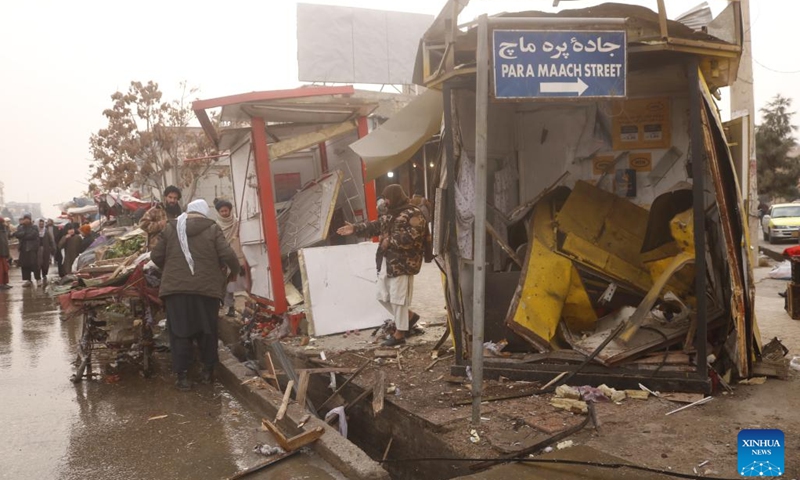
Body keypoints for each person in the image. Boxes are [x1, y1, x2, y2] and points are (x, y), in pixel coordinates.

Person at [151, 199, 239, 391]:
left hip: (176, 290)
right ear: (204, 212)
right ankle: (207, 373)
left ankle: (182, 377)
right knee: (207, 330)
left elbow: (156, 257)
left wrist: (172, 269)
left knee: (180, 332)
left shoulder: (171, 228)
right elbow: (227, 254)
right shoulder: (212, 228)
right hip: (206, 290)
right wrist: (236, 270)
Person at [337, 185, 428, 346]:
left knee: (398, 298)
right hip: (387, 261)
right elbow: (375, 226)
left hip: (404, 263)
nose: (385, 201)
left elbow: (414, 237)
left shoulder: (413, 213)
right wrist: (354, 229)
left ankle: (400, 334)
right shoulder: (390, 213)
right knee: (382, 296)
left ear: (395, 196)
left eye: (387, 197)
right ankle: (408, 317)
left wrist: (389, 241)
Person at [214, 199, 246, 317]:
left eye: (226, 210)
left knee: (246, 282)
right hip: (225, 258)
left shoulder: (237, 223)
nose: (224, 213)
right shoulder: (216, 226)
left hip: (239, 256)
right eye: (221, 211)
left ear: (230, 210)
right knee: (229, 285)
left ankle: (254, 305)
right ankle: (230, 307)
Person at [139, 185, 183, 250]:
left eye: (175, 198)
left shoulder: (179, 213)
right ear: (165, 197)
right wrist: (160, 225)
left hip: (173, 247)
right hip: (157, 248)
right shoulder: (155, 210)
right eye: (170, 197)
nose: (172, 200)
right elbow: (143, 224)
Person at [13, 213, 41, 287]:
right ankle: (28, 280)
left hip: (32, 249)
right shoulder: (21, 227)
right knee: (24, 265)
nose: (25, 220)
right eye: (24, 219)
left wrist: (23, 235)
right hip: (23, 249)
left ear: (30, 219)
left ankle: (38, 279)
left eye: (27, 219)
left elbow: (32, 235)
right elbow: (16, 234)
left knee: (35, 265)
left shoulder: (34, 227)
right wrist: (24, 234)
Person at [37, 218, 56, 285]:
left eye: (42, 224)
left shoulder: (46, 231)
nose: (41, 225)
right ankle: (38, 278)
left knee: (45, 263)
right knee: (38, 264)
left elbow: (51, 240)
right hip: (37, 250)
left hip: (46, 250)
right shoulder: (35, 231)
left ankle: (44, 275)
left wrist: (53, 248)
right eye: (40, 224)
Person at [0, 217, 11, 290]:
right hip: (1, 253)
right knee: (1, 270)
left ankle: (4, 283)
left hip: (4, 253)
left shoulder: (3, 230)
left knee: (5, 269)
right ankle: (1, 284)